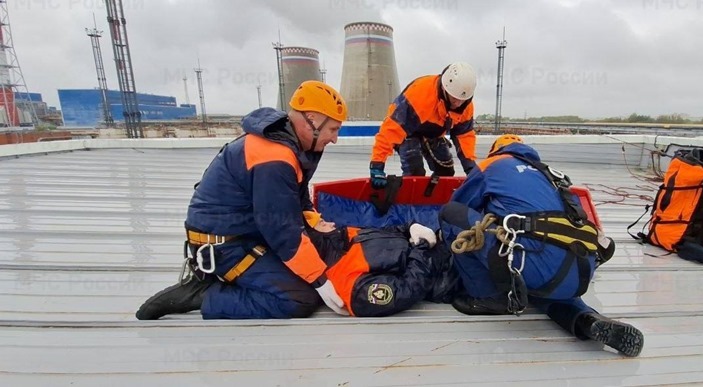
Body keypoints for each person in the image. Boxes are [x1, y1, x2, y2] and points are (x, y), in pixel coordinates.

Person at [136, 81, 350, 320]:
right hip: (226, 246)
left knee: (310, 263)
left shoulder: (286, 143)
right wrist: (320, 280)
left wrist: (314, 221)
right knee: (299, 298)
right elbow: (282, 229)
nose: (335, 139)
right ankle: (205, 294)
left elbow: (296, 200)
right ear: (311, 120)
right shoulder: (274, 158)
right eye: (333, 130)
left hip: (245, 232)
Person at [438, 135, 644, 357]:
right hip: (580, 271)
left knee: (450, 214)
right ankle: (586, 319)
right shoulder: (553, 176)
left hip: (534, 263)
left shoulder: (493, 163)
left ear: (496, 150)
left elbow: (462, 202)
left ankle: (489, 297)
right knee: (548, 287)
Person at [307, 218, 458, 317]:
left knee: (451, 212)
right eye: (323, 224)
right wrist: (422, 247)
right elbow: (407, 289)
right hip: (447, 275)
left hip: (443, 247)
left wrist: (411, 227)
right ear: (317, 239)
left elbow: (390, 231)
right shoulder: (349, 285)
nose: (331, 223)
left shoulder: (348, 234)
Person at [369, 62, 478, 188]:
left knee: (446, 172)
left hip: (433, 133)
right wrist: (377, 164)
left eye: (462, 100)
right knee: (415, 173)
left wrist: (471, 168)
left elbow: (464, 137)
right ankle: (409, 203)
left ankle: (435, 201)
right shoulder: (420, 96)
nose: (458, 104)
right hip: (408, 132)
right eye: (454, 98)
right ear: (444, 88)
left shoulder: (466, 107)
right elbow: (391, 131)